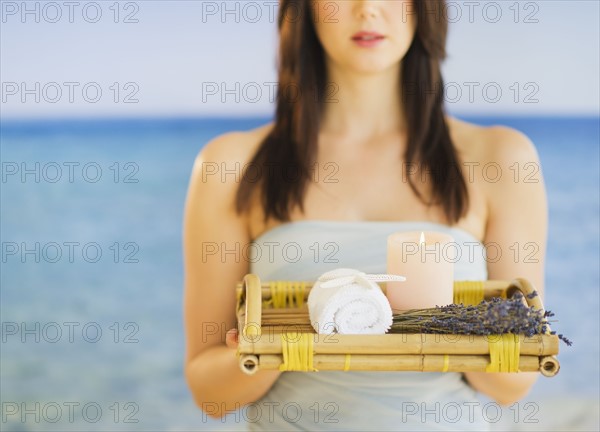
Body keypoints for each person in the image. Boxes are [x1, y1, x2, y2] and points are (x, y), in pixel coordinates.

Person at [183, 0, 547, 430]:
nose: (368, 8)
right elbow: (210, 395)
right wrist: (273, 349)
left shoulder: (501, 158)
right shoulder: (230, 164)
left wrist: (444, 328)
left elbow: (514, 385)